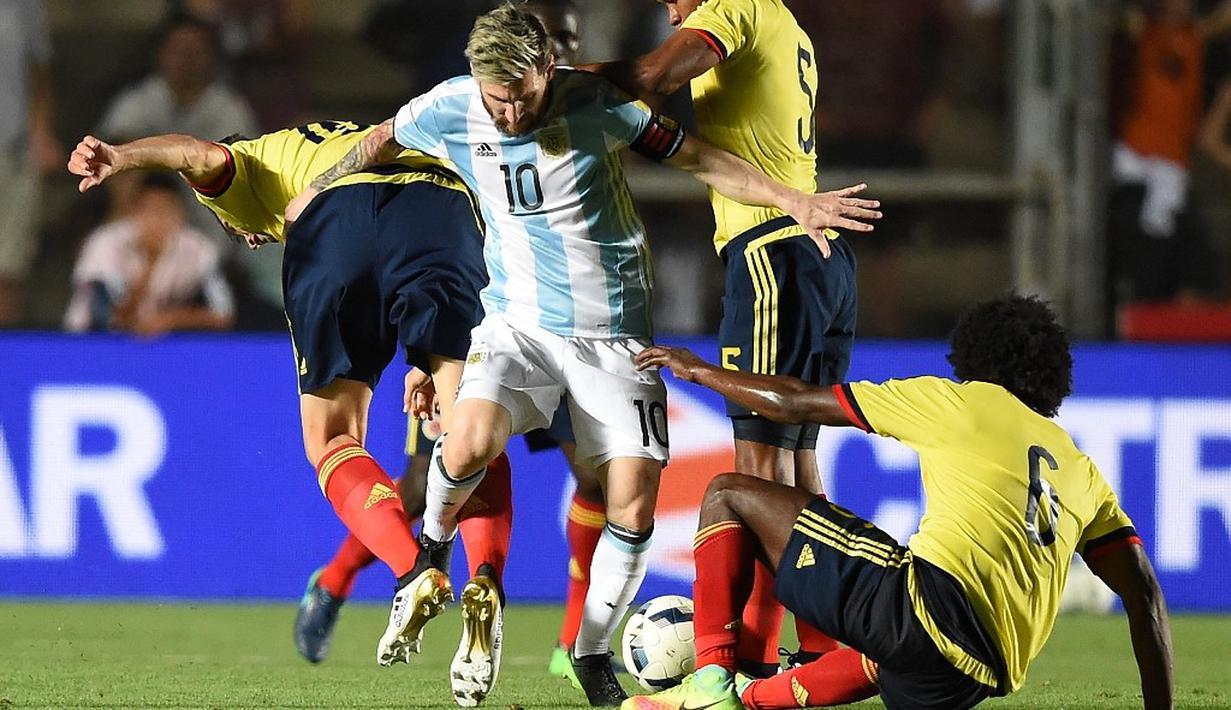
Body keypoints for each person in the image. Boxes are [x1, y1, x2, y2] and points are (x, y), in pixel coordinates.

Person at [286, 6, 877, 705]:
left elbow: (696, 156)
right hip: (516, 327)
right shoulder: (449, 105)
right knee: (465, 441)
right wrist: (314, 194)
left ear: (547, 71)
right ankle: (432, 553)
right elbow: (380, 141)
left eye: (521, 95)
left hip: (614, 335)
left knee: (631, 506)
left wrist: (790, 199)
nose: (507, 114)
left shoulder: (597, 105)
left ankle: (591, 653)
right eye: (494, 97)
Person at [65, 122, 515, 697]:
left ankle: (413, 572)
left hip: (336, 223)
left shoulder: (249, 163)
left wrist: (121, 156)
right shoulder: (342, 139)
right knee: (468, 428)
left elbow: (191, 152)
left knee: (333, 439)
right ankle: (486, 582)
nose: (249, 237)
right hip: (443, 210)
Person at [627, 294, 1173, 710]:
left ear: (975, 355)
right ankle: (749, 701)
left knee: (728, 494)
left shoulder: (958, 401)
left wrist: (699, 371)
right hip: (968, 680)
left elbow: (793, 403)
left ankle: (711, 681)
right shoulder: (1081, 469)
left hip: (925, 613)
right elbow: (1144, 594)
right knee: (888, 647)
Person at [290, 2, 609, 690]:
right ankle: (338, 580)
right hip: (480, 311)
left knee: (598, 474)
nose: (563, 56)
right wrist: (319, 192)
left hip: (565, 325)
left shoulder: (593, 114)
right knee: (424, 479)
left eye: (571, 42)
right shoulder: (469, 107)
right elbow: (397, 161)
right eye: (553, 41)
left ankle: (572, 643)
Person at [582, 0, 875, 676]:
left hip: (771, 252)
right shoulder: (786, 22)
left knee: (756, 476)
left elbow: (655, 73)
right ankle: (818, 652)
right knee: (798, 467)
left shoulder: (732, 8)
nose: (670, 8)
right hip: (814, 253)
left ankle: (742, 663)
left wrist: (562, 75)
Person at [64, 173, 234, 335]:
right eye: (149, 210)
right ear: (134, 211)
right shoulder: (106, 243)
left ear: (180, 213)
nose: (157, 220)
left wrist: (171, 319)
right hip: (90, 342)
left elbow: (224, 314)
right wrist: (150, 262)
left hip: (163, 344)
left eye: (165, 210)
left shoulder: (199, 249)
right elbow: (112, 318)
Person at [0, 0, 60, 327]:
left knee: (8, 269)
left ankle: (4, 358)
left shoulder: (24, 6)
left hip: (12, 151)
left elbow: (41, 73)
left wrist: (41, 133)